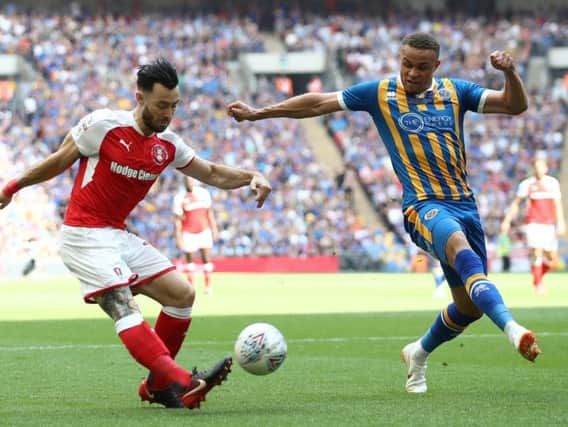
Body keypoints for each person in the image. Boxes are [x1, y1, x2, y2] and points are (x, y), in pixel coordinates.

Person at [227, 32, 540, 394]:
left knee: (467, 308)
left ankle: (418, 353)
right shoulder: (380, 93)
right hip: (423, 205)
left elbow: (514, 105)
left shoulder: (457, 92)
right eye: (406, 64)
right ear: (399, 60)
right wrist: (259, 114)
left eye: (422, 67)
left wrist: (511, 73)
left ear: (435, 67)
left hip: (465, 205)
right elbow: (317, 104)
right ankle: (513, 329)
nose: (411, 73)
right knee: (459, 248)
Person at [0, 58, 272, 409]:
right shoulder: (104, 126)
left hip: (117, 234)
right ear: (140, 98)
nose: (168, 114)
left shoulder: (168, 145)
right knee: (122, 303)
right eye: (161, 106)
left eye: (174, 106)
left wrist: (252, 175)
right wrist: (12, 186)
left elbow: (213, 173)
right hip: (83, 234)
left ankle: (157, 387)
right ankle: (183, 382)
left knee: (182, 294)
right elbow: (59, 159)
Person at [501, 156, 565, 294]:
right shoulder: (527, 184)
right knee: (537, 253)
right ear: (533, 169)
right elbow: (516, 203)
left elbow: (557, 204)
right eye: (536, 167)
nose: (539, 170)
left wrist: (561, 223)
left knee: (552, 260)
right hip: (533, 223)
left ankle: (538, 278)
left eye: (541, 167)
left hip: (549, 225)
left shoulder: (552, 183)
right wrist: (507, 220)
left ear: (546, 168)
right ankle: (538, 285)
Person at [173, 176, 219, 294]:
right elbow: (177, 220)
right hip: (188, 232)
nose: (189, 183)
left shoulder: (204, 194)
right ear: (183, 182)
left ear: (194, 181)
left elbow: (209, 213)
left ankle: (208, 286)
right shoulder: (179, 197)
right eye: (187, 180)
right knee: (190, 260)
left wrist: (214, 229)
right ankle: (191, 286)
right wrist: (178, 237)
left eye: (191, 180)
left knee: (206, 258)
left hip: (204, 230)